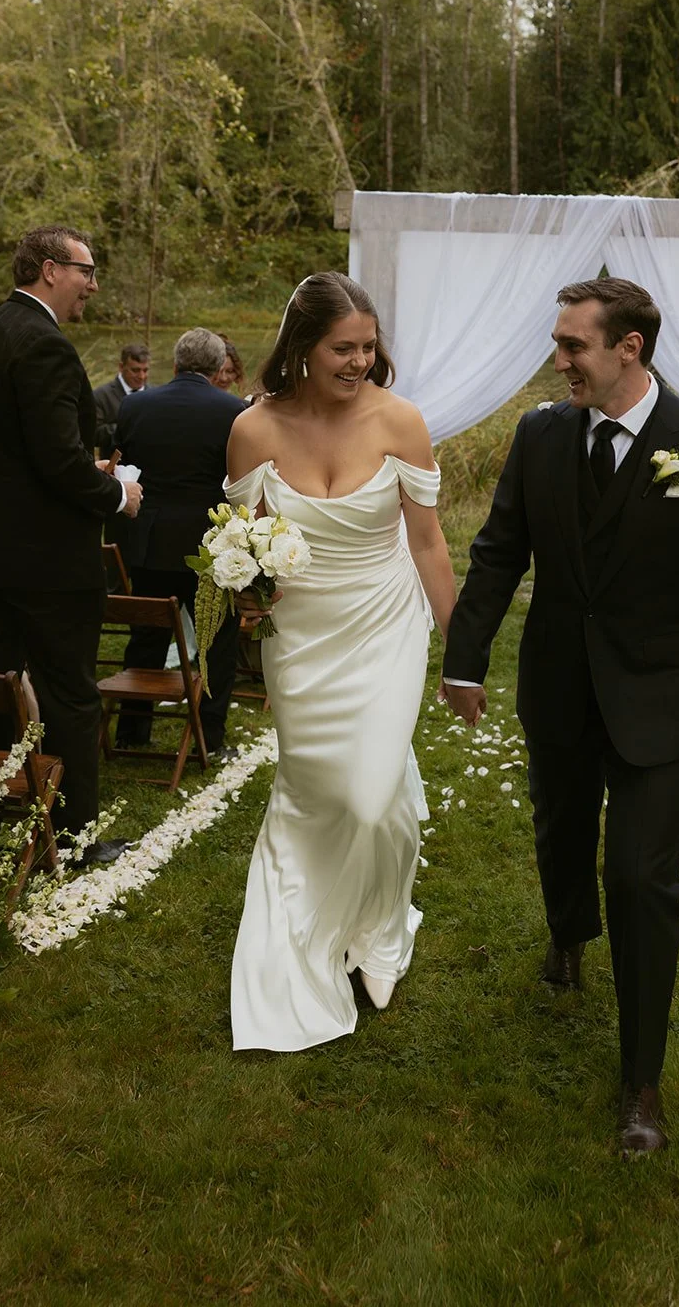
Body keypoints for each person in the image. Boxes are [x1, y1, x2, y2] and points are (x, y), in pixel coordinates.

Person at [441, 277, 679, 1157]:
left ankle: (641, 1082)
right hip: (556, 684)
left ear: (627, 348)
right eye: (558, 343)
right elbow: (500, 548)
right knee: (559, 831)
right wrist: (464, 658)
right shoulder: (540, 435)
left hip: (662, 698)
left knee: (639, 878)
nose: (558, 361)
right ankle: (566, 937)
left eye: (572, 345)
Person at [225, 272, 456, 1049]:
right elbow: (245, 544)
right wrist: (247, 597)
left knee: (367, 793)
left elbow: (426, 542)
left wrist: (459, 646)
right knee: (319, 789)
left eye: (367, 347)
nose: (359, 361)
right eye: (342, 348)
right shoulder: (253, 431)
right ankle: (315, 938)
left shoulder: (400, 421)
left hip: (385, 620)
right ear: (300, 348)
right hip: (301, 635)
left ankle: (382, 926)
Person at [0, 226, 142, 863]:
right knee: (69, 693)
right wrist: (117, 497)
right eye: (87, 270)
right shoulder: (45, 346)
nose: (92, 285)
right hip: (46, 564)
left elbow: (14, 453)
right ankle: (79, 837)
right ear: (50, 269)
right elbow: (59, 465)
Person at [114, 329, 246, 756]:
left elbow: (125, 463)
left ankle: (132, 733)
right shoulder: (232, 410)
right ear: (216, 367)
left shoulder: (135, 405)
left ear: (175, 363)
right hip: (209, 545)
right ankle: (208, 738)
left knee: (147, 636)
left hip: (150, 540)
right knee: (216, 642)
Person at [93, 342, 150, 456]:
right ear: (121, 367)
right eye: (135, 370)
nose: (141, 376)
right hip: (115, 469)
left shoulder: (155, 394)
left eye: (145, 370)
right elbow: (93, 435)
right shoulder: (101, 395)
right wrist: (127, 427)